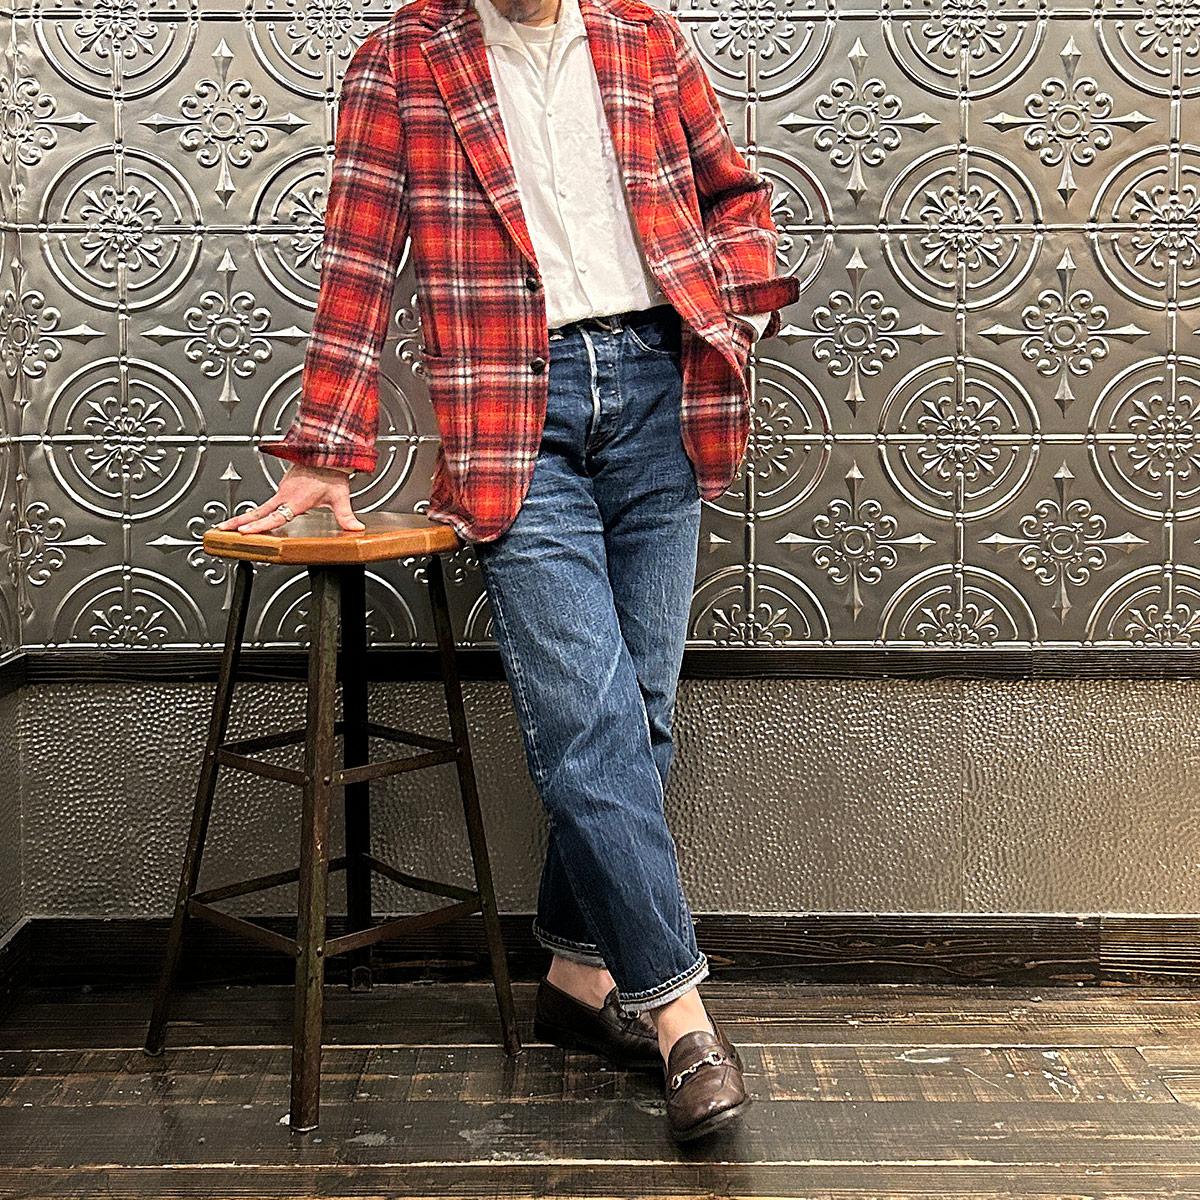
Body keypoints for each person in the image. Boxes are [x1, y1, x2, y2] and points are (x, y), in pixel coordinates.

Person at [217, 0, 797, 1141]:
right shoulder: (402, 57)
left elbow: (732, 194)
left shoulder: (643, 35)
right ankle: (682, 1020)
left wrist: (733, 308)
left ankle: (578, 978)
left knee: (642, 713)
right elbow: (358, 256)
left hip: (661, 393)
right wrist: (327, 446)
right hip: (513, 418)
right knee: (586, 724)